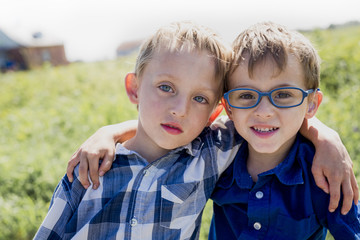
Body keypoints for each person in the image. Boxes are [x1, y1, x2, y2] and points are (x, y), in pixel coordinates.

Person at [34, 20, 242, 240]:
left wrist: (113, 130)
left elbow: (258, 122)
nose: (180, 110)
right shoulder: (90, 166)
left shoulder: (208, 155)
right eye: (166, 87)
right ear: (134, 89)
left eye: (200, 98)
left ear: (213, 111)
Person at [209, 22, 360, 240]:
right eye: (246, 95)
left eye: (283, 95)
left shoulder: (322, 174)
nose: (264, 111)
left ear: (311, 104)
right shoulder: (216, 153)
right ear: (228, 106)